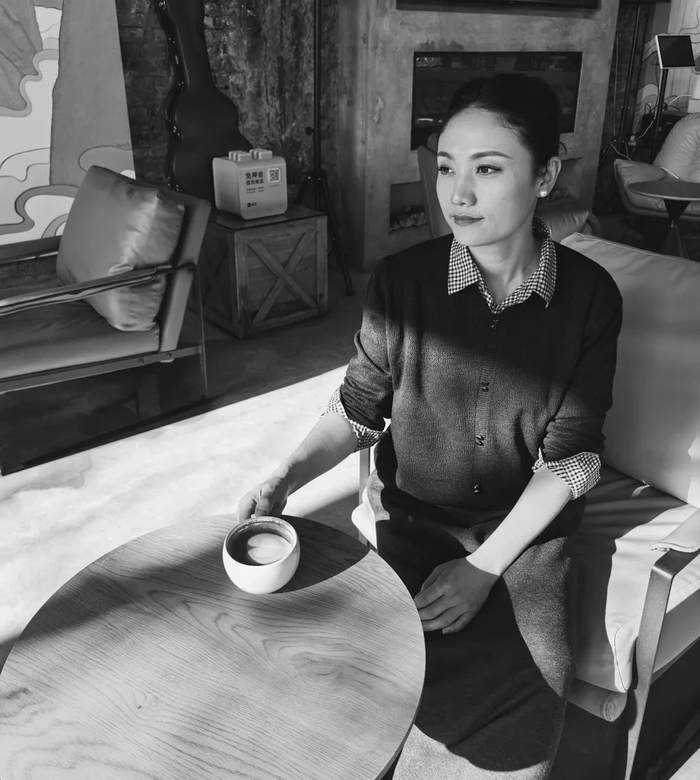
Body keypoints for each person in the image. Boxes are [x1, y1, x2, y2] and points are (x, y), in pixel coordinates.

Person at [238, 73, 623, 779]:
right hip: (412, 525)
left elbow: (572, 461)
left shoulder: (590, 298)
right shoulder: (401, 282)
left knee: (524, 708)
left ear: (545, 176)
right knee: (357, 690)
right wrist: (286, 476)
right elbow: (359, 407)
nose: (458, 194)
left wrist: (482, 568)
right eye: (446, 168)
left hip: (523, 540)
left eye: (488, 169)